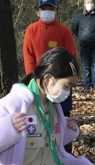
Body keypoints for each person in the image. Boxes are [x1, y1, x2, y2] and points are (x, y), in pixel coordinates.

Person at [23, 0, 77, 154]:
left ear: (57, 12)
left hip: (60, 83)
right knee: (41, 118)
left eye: (50, 8)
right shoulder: (31, 30)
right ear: (38, 12)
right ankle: (44, 154)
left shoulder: (63, 30)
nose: (47, 11)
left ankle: (65, 154)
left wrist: (65, 78)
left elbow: (71, 55)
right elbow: (28, 56)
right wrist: (34, 80)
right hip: (39, 84)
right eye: (44, 8)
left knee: (63, 118)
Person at [71, 0, 95, 90]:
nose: (90, 4)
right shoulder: (79, 17)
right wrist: (82, 37)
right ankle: (87, 85)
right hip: (83, 46)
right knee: (85, 67)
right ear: (84, 4)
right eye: (88, 2)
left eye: (91, 2)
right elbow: (74, 29)